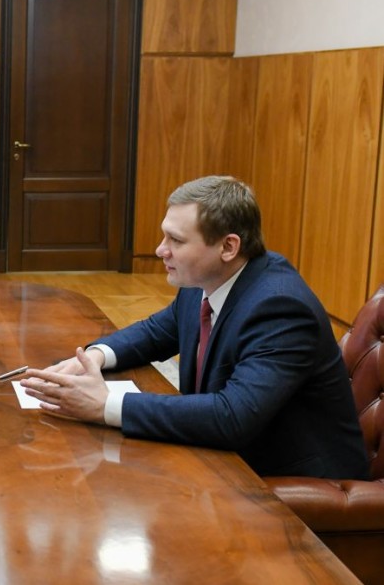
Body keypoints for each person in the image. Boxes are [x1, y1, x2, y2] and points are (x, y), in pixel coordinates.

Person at [20, 176, 370, 479]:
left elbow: (233, 416)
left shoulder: (279, 308)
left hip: (295, 483)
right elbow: (156, 332)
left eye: (176, 241)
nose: (160, 250)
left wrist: (106, 404)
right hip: (226, 460)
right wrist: (94, 357)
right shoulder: (207, 281)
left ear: (228, 246)